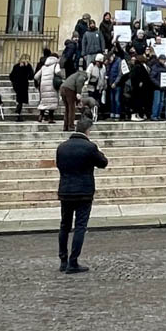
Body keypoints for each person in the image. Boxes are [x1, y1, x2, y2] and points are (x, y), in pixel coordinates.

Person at [55, 115, 109, 274]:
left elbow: (59, 166)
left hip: (65, 190)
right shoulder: (90, 147)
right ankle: (73, 261)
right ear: (88, 130)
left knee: (64, 225)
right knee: (80, 226)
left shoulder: (62, 147)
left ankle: (63, 260)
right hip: (84, 191)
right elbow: (103, 163)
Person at [35, 53, 62, 124]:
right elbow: (57, 72)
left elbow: (36, 76)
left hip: (43, 85)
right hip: (51, 85)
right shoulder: (56, 65)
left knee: (44, 100)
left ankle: (41, 116)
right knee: (52, 101)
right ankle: (51, 118)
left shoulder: (43, 66)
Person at [60, 66, 88, 132]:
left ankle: (65, 126)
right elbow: (79, 82)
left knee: (67, 109)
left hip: (63, 88)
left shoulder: (75, 75)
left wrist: (78, 100)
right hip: (69, 90)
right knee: (71, 109)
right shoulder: (82, 76)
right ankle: (71, 126)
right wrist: (79, 93)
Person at [8, 55, 34, 122]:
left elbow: (11, 76)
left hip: (17, 85)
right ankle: (18, 114)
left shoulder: (16, 66)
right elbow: (31, 76)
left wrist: (14, 82)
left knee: (19, 100)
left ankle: (18, 113)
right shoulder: (28, 66)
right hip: (23, 85)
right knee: (20, 100)